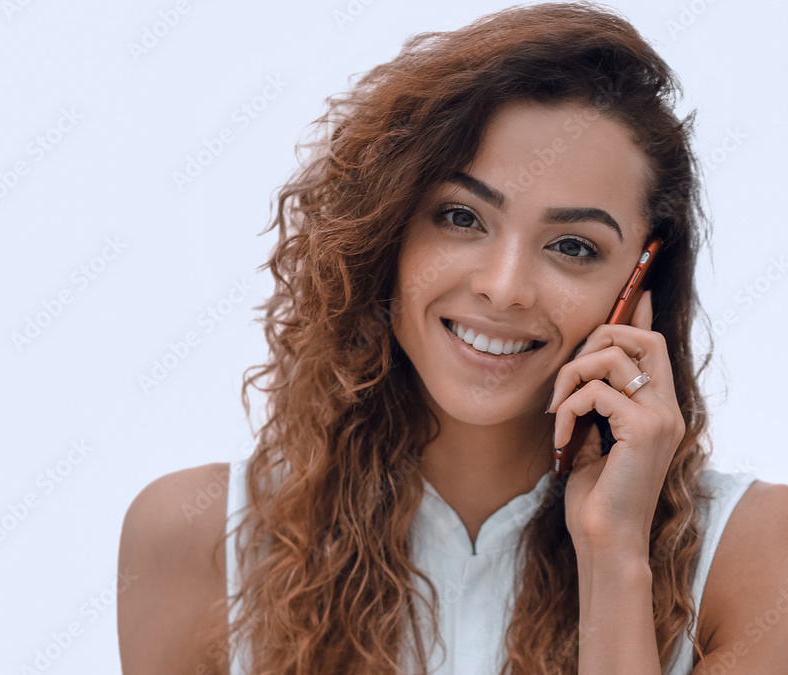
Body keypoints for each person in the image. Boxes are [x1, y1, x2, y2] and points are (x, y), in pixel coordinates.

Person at [118, 2, 788, 673]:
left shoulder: (758, 554)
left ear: (639, 281)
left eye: (573, 245)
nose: (504, 286)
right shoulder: (195, 542)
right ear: (387, 234)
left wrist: (613, 553)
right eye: (461, 216)